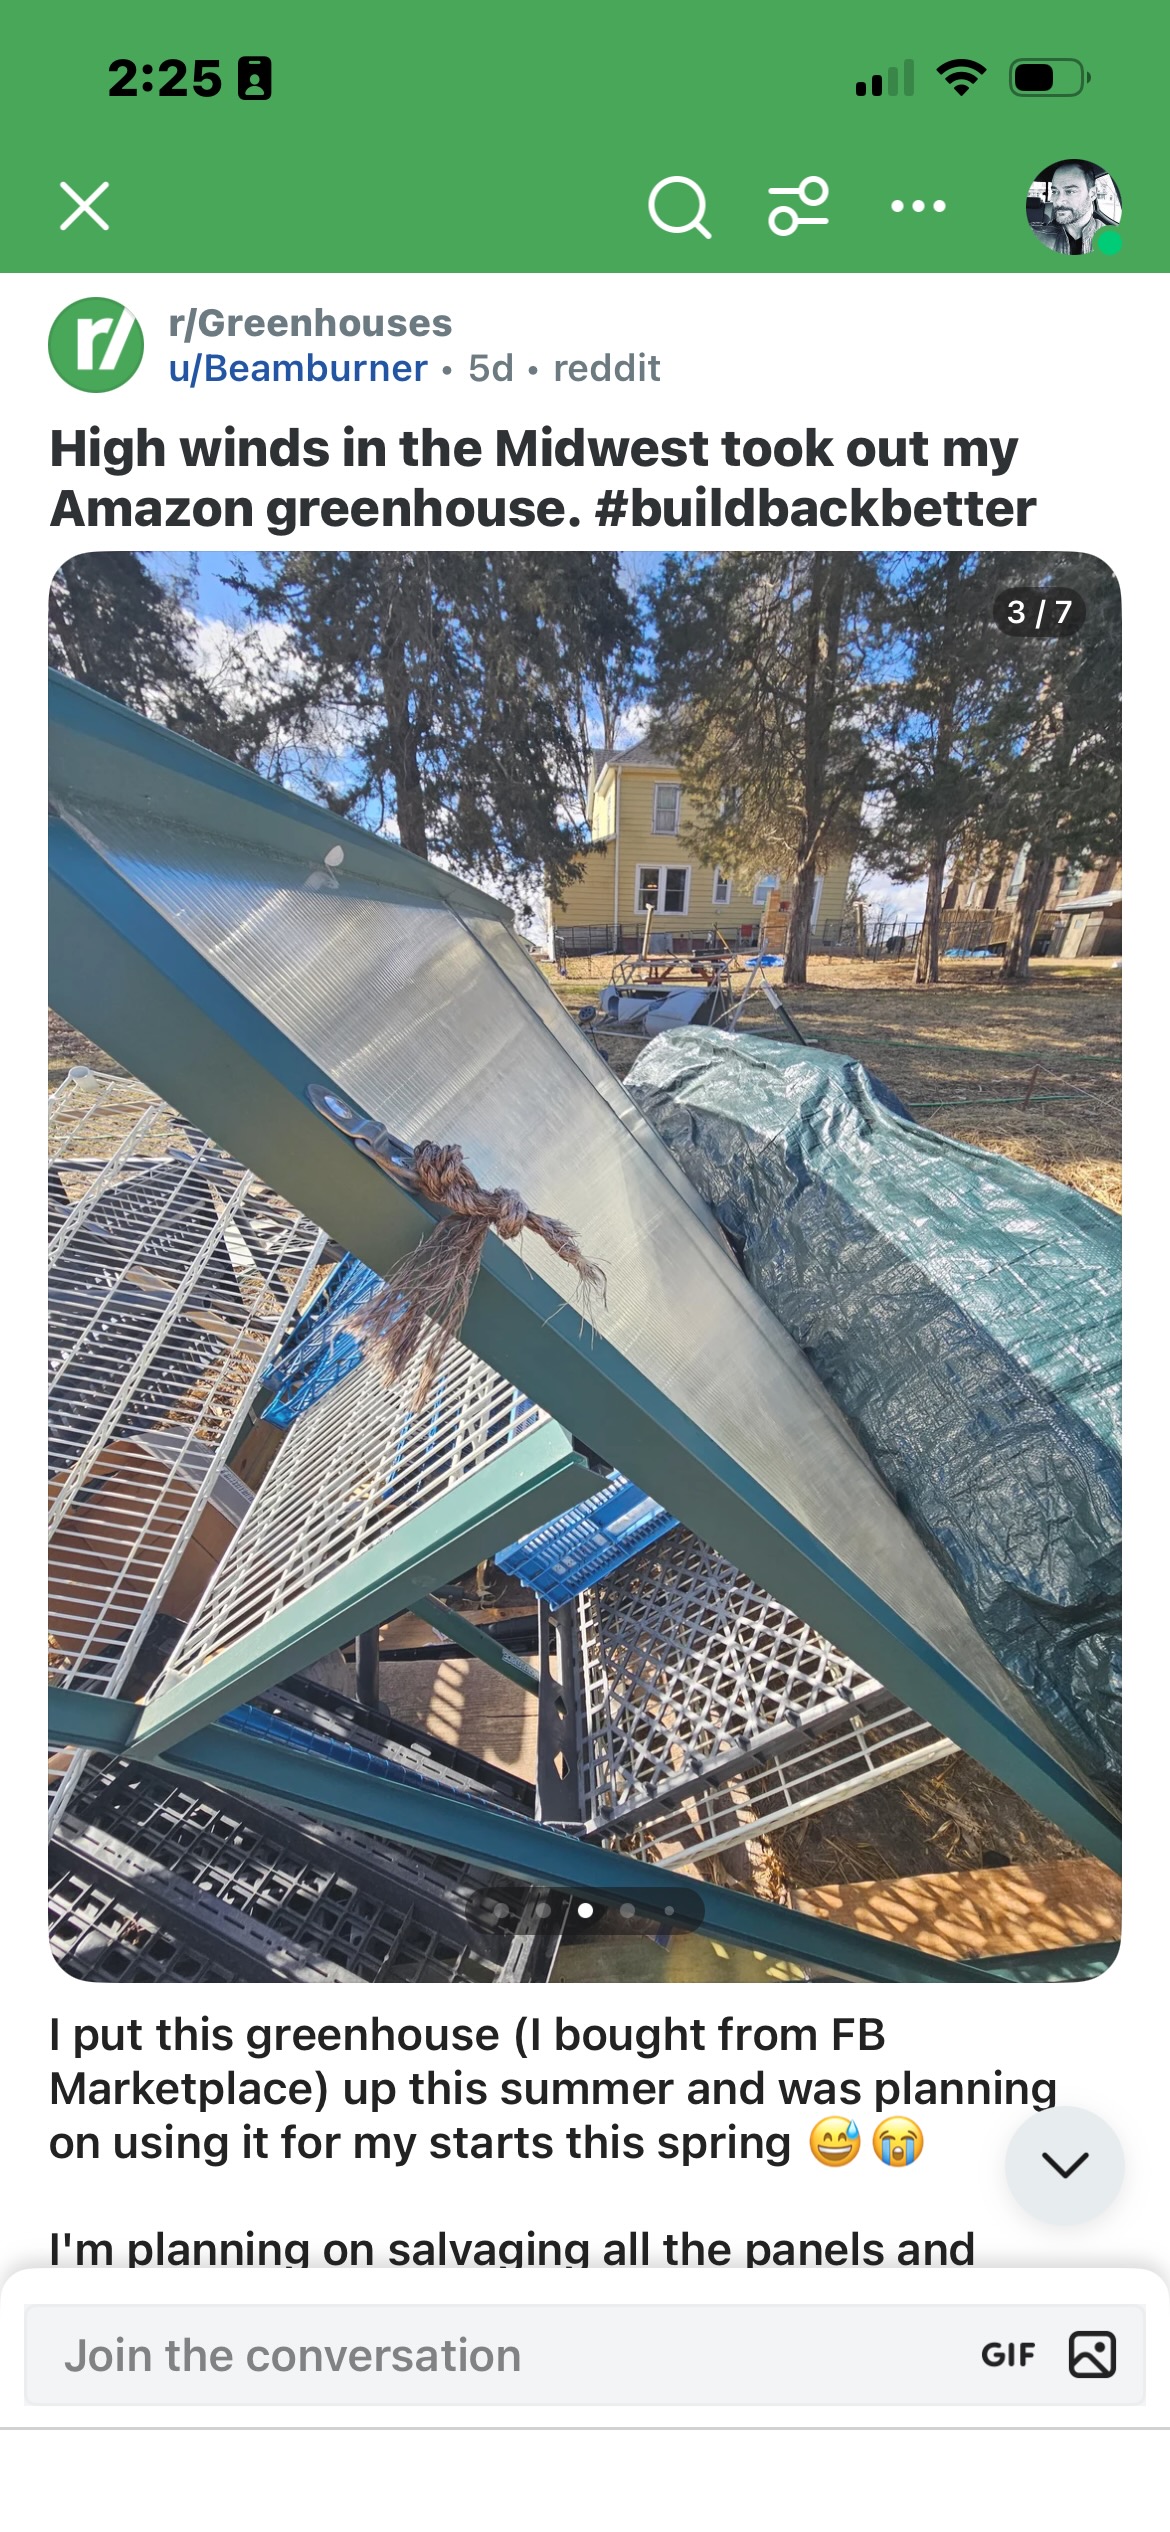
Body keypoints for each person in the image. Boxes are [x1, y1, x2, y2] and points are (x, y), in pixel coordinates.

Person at [1035, 162, 1119, 257]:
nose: (1058, 201)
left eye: (1070, 191)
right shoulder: (1037, 236)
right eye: (1055, 191)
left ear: (1092, 194)